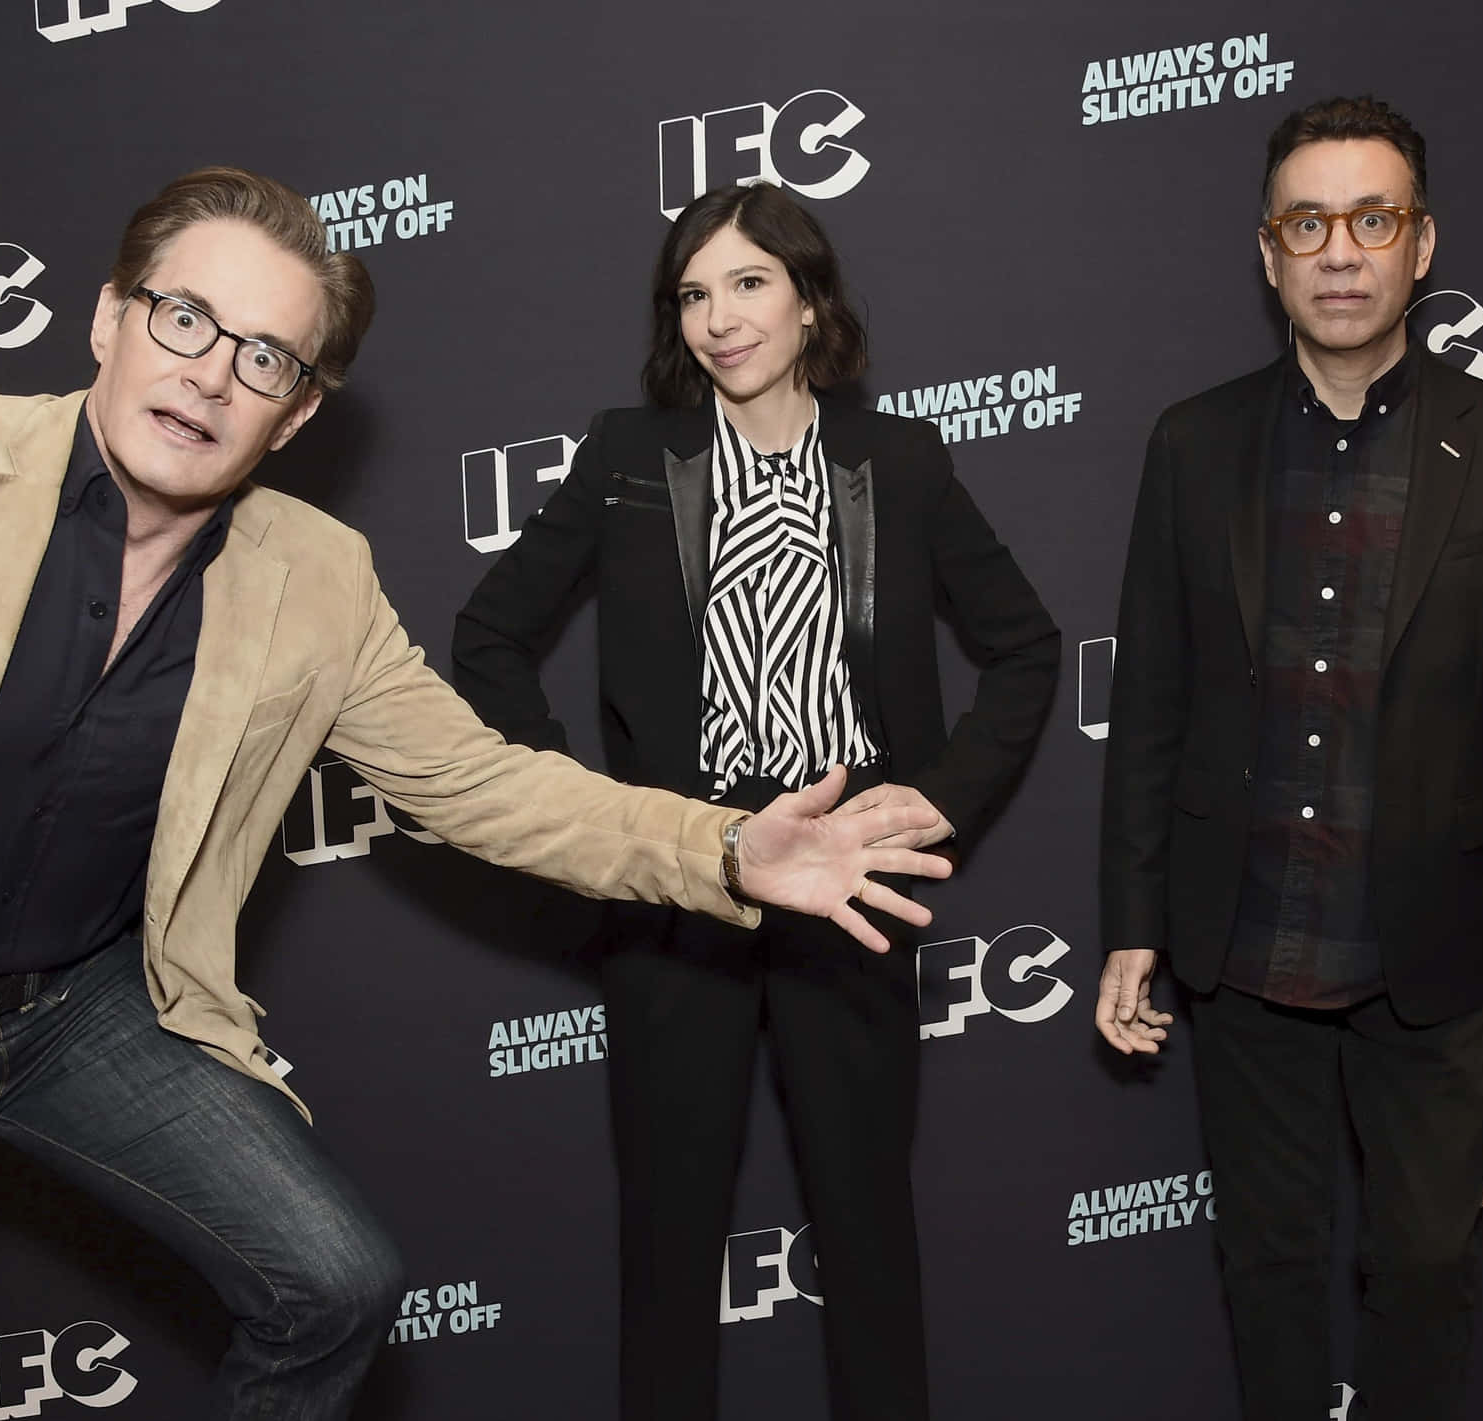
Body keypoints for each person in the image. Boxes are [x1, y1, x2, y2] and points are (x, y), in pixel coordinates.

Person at [0, 166, 957, 1420]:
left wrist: (730, 846)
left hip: (76, 1015)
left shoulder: (316, 580)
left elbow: (482, 783)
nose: (208, 373)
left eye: (264, 358)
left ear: (296, 416)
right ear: (108, 320)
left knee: (336, 1280)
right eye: (183, 317)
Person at [451, 182, 1058, 1420]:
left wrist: (932, 802)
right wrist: (600, 816)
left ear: (810, 299)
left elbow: (1028, 649)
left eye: (747, 283)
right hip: (692, 883)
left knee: (870, 1236)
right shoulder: (629, 456)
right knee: (670, 1250)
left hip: (854, 893)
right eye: (692, 294)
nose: (719, 319)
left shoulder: (899, 458)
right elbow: (489, 634)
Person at [1094, 97, 1483, 1421]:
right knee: (1265, 1265)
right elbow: (1146, 702)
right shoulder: (1192, 444)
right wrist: (1134, 921)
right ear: (1268, 254)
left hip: (1429, 951)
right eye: (1307, 222)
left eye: (1371, 219)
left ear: (1420, 244)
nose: (1339, 251)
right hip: (1247, 942)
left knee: (1425, 1266)